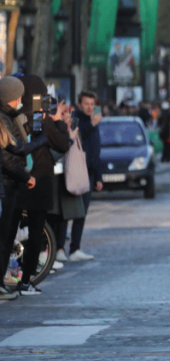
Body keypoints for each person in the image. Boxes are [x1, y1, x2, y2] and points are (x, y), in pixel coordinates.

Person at [15, 75, 72, 296]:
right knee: (35, 232)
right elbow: (62, 144)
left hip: (20, 179)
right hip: (38, 183)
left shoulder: (17, 118)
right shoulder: (42, 119)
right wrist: (58, 121)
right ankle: (26, 279)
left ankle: (14, 274)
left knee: (14, 228)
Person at [0, 77, 39, 300]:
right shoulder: (4, 120)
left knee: (5, 237)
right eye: (19, 96)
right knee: (3, 238)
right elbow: (10, 155)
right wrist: (25, 175)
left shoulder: (10, 117)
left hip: (9, 184)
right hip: (6, 185)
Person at [60, 91, 103, 263]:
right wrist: (91, 124)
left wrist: (99, 177)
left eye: (92, 104)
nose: (89, 107)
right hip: (74, 171)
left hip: (89, 174)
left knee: (81, 213)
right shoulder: (75, 119)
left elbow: (96, 151)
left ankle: (75, 248)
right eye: (86, 103)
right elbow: (75, 138)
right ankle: (59, 248)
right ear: (79, 104)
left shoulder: (94, 122)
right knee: (66, 211)